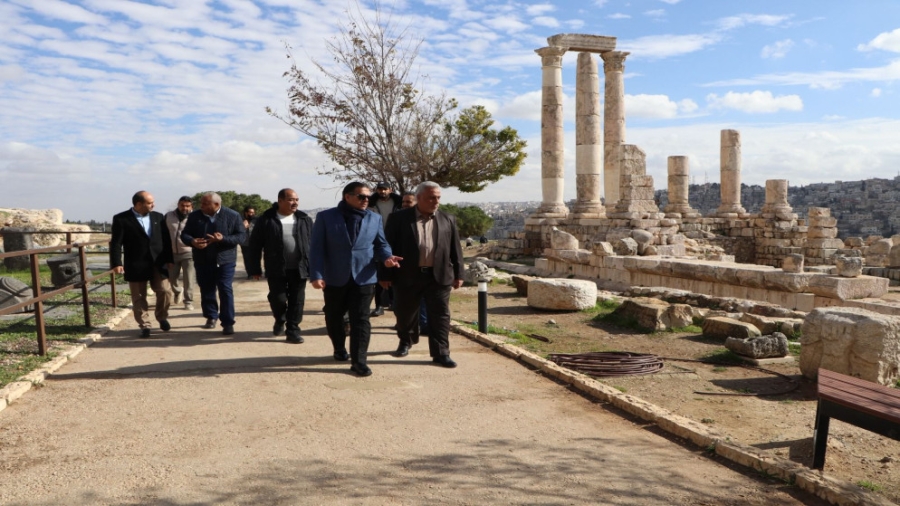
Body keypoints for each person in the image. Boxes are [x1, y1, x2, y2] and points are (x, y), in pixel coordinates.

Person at [309, 182, 401, 377]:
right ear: (347, 197)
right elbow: (316, 248)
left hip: (364, 277)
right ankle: (339, 347)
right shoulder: (326, 217)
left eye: (368, 196)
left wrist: (387, 257)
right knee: (334, 317)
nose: (366, 199)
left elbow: (381, 244)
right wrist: (316, 275)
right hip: (335, 276)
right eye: (361, 196)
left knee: (361, 319)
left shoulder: (374, 218)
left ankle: (359, 361)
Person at [381, 181, 465, 368]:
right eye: (431, 198)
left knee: (440, 316)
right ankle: (406, 341)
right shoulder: (399, 218)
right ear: (419, 198)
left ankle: (441, 353)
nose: (436, 201)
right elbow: (387, 247)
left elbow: (456, 249)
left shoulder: (447, 219)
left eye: (438, 198)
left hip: (438, 276)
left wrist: (459, 273)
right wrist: (385, 274)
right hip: (406, 275)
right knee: (405, 313)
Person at [247, 189, 312, 344]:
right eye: (291, 199)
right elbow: (255, 245)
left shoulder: (304, 219)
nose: (295, 203)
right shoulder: (266, 219)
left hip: (300, 268)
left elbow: (314, 243)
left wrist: (316, 268)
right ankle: (280, 318)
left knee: (297, 300)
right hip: (276, 267)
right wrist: (254, 269)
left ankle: (293, 330)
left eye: (297, 199)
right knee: (278, 299)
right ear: (280, 201)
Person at [110, 191, 174, 338]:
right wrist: (116, 263)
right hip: (136, 263)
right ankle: (145, 325)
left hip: (158, 261)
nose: (153, 205)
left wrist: (169, 259)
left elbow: (166, 239)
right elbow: (116, 243)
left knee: (165, 290)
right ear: (139, 204)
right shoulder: (121, 219)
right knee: (139, 296)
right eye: (150, 203)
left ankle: (162, 316)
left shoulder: (158, 217)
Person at [181, 192, 247, 335]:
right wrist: (192, 241)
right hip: (202, 259)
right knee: (207, 289)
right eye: (201, 203)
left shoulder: (233, 215)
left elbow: (241, 236)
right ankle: (211, 316)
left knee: (225, 289)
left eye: (205, 204)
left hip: (225, 260)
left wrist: (223, 239)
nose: (201, 206)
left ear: (216, 204)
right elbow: (185, 234)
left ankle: (228, 322)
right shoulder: (195, 216)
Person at [369, 181, 402, 317]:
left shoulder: (399, 203)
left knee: (395, 271)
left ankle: (394, 303)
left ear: (390, 189)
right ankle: (379, 305)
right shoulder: (370, 203)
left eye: (385, 189)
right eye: (380, 189)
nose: (382, 191)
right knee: (379, 274)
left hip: (396, 240)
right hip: (377, 241)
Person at [164, 196, 196, 311]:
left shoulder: (195, 217)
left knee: (189, 279)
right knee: (171, 278)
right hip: (172, 253)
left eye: (187, 206)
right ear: (178, 205)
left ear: (191, 206)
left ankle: (188, 301)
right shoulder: (168, 216)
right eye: (182, 205)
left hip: (189, 252)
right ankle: (177, 291)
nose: (185, 208)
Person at [240, 206, 257, 279]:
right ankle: (249, 274)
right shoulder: (240, 220)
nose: (252, 214)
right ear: (246, 213)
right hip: (245, 243)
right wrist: (243, 227)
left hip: (255, 243)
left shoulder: (257, 220)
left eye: (253, 212)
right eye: (250, 212)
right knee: (247, 258)